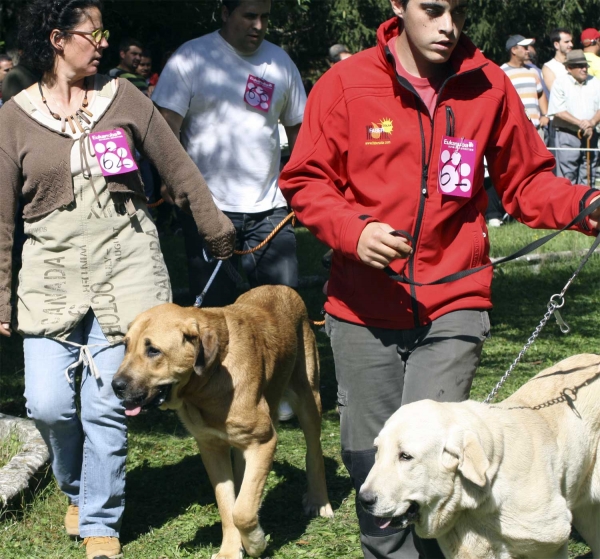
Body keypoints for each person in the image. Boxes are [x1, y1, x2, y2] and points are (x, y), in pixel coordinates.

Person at [278, 1, 600, 558]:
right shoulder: (346, 83)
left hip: (456, 298)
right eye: (432, 9)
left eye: (458, 9)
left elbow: (526, 182)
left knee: (433, 457)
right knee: (370, 462)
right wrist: (353, 232)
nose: (448, 24)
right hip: (361, 306)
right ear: (398, 6)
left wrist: (586, 203)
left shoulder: (488, 85)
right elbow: (306, 180)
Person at [0, 1, 235, 558]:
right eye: (93, 32)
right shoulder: (12, 118)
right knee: (49, 404)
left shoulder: (123, 98)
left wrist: (214, 227)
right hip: (50, 275)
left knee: (108, 401)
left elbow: (177, 168)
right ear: (58, 39)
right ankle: (78, 489)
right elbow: (2, 217)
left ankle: (101, 521)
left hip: (127, 264)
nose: (103, 41)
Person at [152, 0, 306, 308]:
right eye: (249, 16)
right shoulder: (191, 58)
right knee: (217, 320)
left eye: (264, 17)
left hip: (270, 211)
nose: (258, 25)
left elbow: (300, 132)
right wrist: (172, 180)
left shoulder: (280, 62)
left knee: (284, 314)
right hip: (207, 209)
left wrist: (297, 186)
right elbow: (164, 130)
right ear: (225, 13)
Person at [549, 49, 600, 186]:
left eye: (585, 65)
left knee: (588, 174)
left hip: (590, 134)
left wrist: (592, 122)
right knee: (567, 176)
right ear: (569, 68)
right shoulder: (560, 83)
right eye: (579, 66)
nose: (584, 69)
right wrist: (581, 123)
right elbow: (558, 111)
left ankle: (586, 206)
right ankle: (568, 206)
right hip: (567, 134)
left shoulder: (595, 82)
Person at [501, 34, 549, 142]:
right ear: (514, 50)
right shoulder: (502, 73)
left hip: (535, 129)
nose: (528, 51)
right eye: (525, 48)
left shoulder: (533, 71)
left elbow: (540, 94)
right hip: (515, 130)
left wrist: (545, 115)